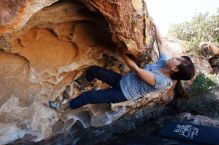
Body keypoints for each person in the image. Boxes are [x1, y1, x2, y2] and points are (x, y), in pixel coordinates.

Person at [49, 20, 195, 110]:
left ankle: (63, 107)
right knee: (93, 70)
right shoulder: (164, 61)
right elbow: (161, 42)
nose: (174, 57)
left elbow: (137, 70)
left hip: (123, 93)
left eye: (178, 59)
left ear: (175, 68)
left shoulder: (163, 82)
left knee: (88, 97)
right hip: (122, 80)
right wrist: (154, 24)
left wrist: (122, 53)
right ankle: (84, 83)